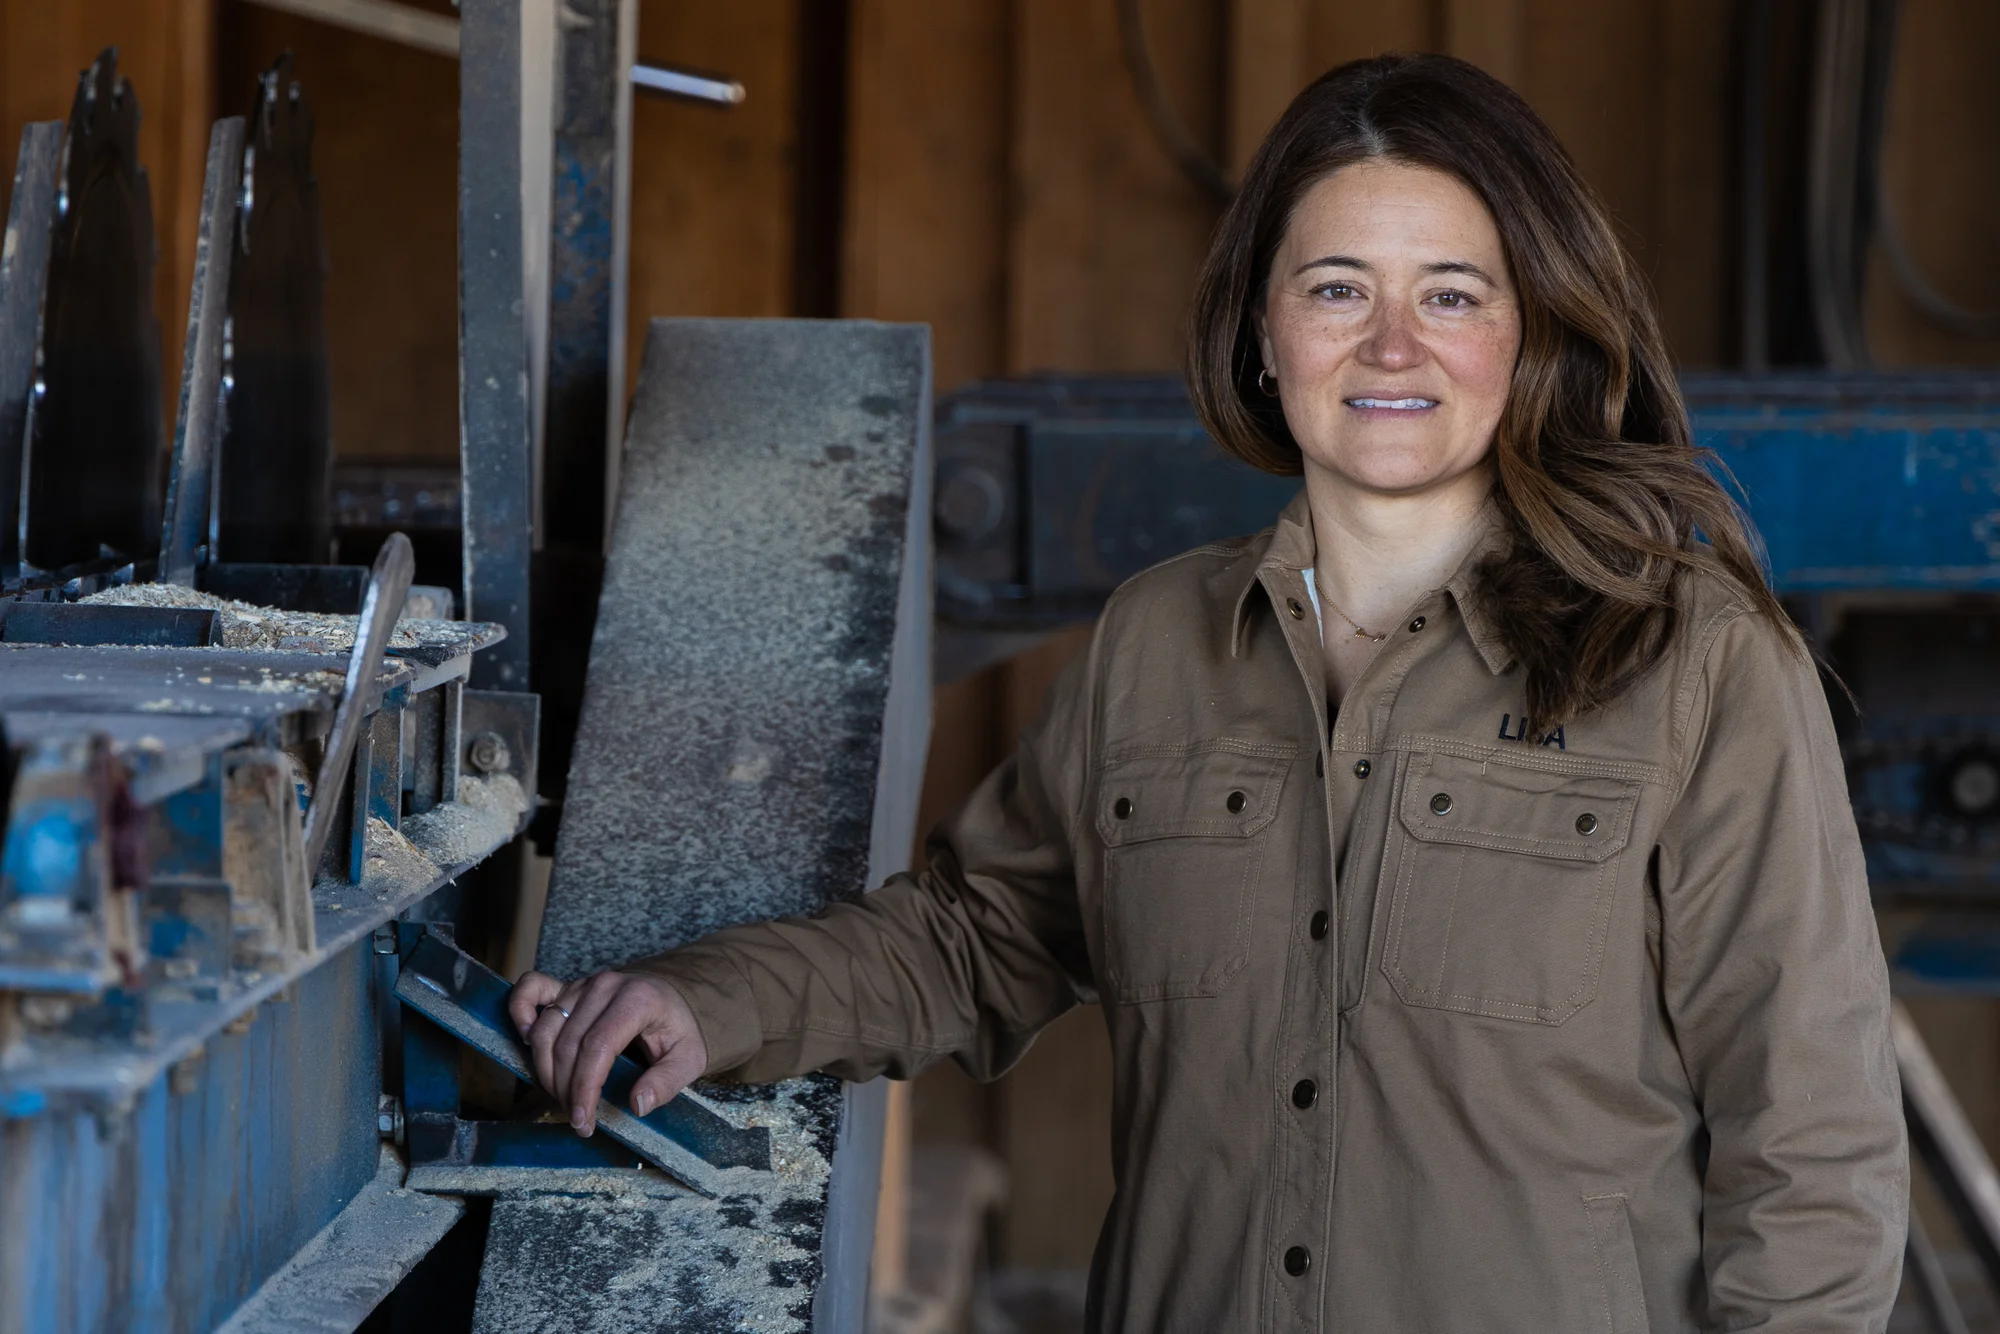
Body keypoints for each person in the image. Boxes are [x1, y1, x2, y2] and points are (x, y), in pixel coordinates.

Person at [508, 53, 1907, 1331]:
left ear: (1531, 332)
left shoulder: (1695, 664)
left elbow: (1813, 1143)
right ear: (1262, 332)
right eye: (1338, 288)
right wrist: (713, 1003)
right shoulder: (1157, 643)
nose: (1394, 345)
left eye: (1452, 294)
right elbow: (974, 941)